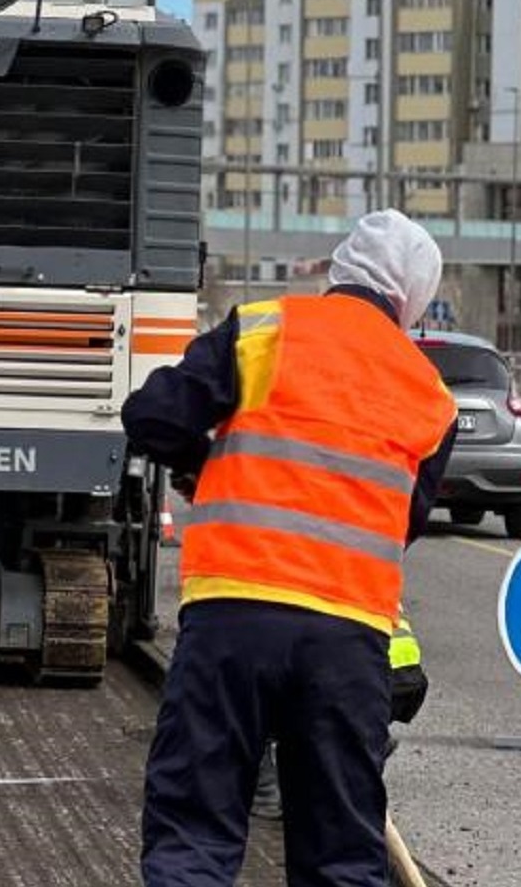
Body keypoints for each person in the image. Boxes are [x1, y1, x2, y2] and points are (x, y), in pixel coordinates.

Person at [125, 209, 458, 887]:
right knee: (340, 854)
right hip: (346, 641)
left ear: (339, 271)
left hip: (232, 620)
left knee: (194, 834)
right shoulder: (431, 395)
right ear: (412, 298)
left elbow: (150, 417)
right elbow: (402, 524)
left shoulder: (263, 329)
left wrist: (206, 465)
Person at [251, 607, 427, 822]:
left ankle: (265, 796)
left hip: (369, 676)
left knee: (258, 708)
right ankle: (365, 742)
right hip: (404, 679)